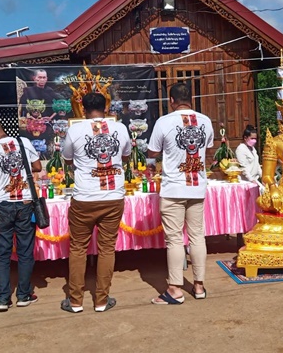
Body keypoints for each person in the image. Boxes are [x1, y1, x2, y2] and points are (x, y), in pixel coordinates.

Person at [60, 93, 131, 313]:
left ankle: (75, 301)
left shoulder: (75, 129)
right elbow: (126, 156)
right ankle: (101, 300)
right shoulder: (120, 128)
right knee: (107, 248)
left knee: (78, 248)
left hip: (84, 198)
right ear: (106, 107)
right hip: (113, 196)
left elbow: (68, 158)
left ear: (82, 108)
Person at [147, 82, 214, 305]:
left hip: (174, 188)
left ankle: (175, 289)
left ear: (171, 101)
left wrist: (151, 161)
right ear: (191, 99)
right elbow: (208, 146)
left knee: (174, 239)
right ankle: (199, 285)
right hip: (197, 187)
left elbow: (153, 151)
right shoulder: (205, 121)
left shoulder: (164, 122)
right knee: (197, 236)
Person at [0, 116, 42, 313]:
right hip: (24, 205)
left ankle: (4, 299)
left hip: (3, 207)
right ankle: (23, 296)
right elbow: (38, 167)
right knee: (24, 252)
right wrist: (21, 172)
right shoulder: (23, 143)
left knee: (2, 254)